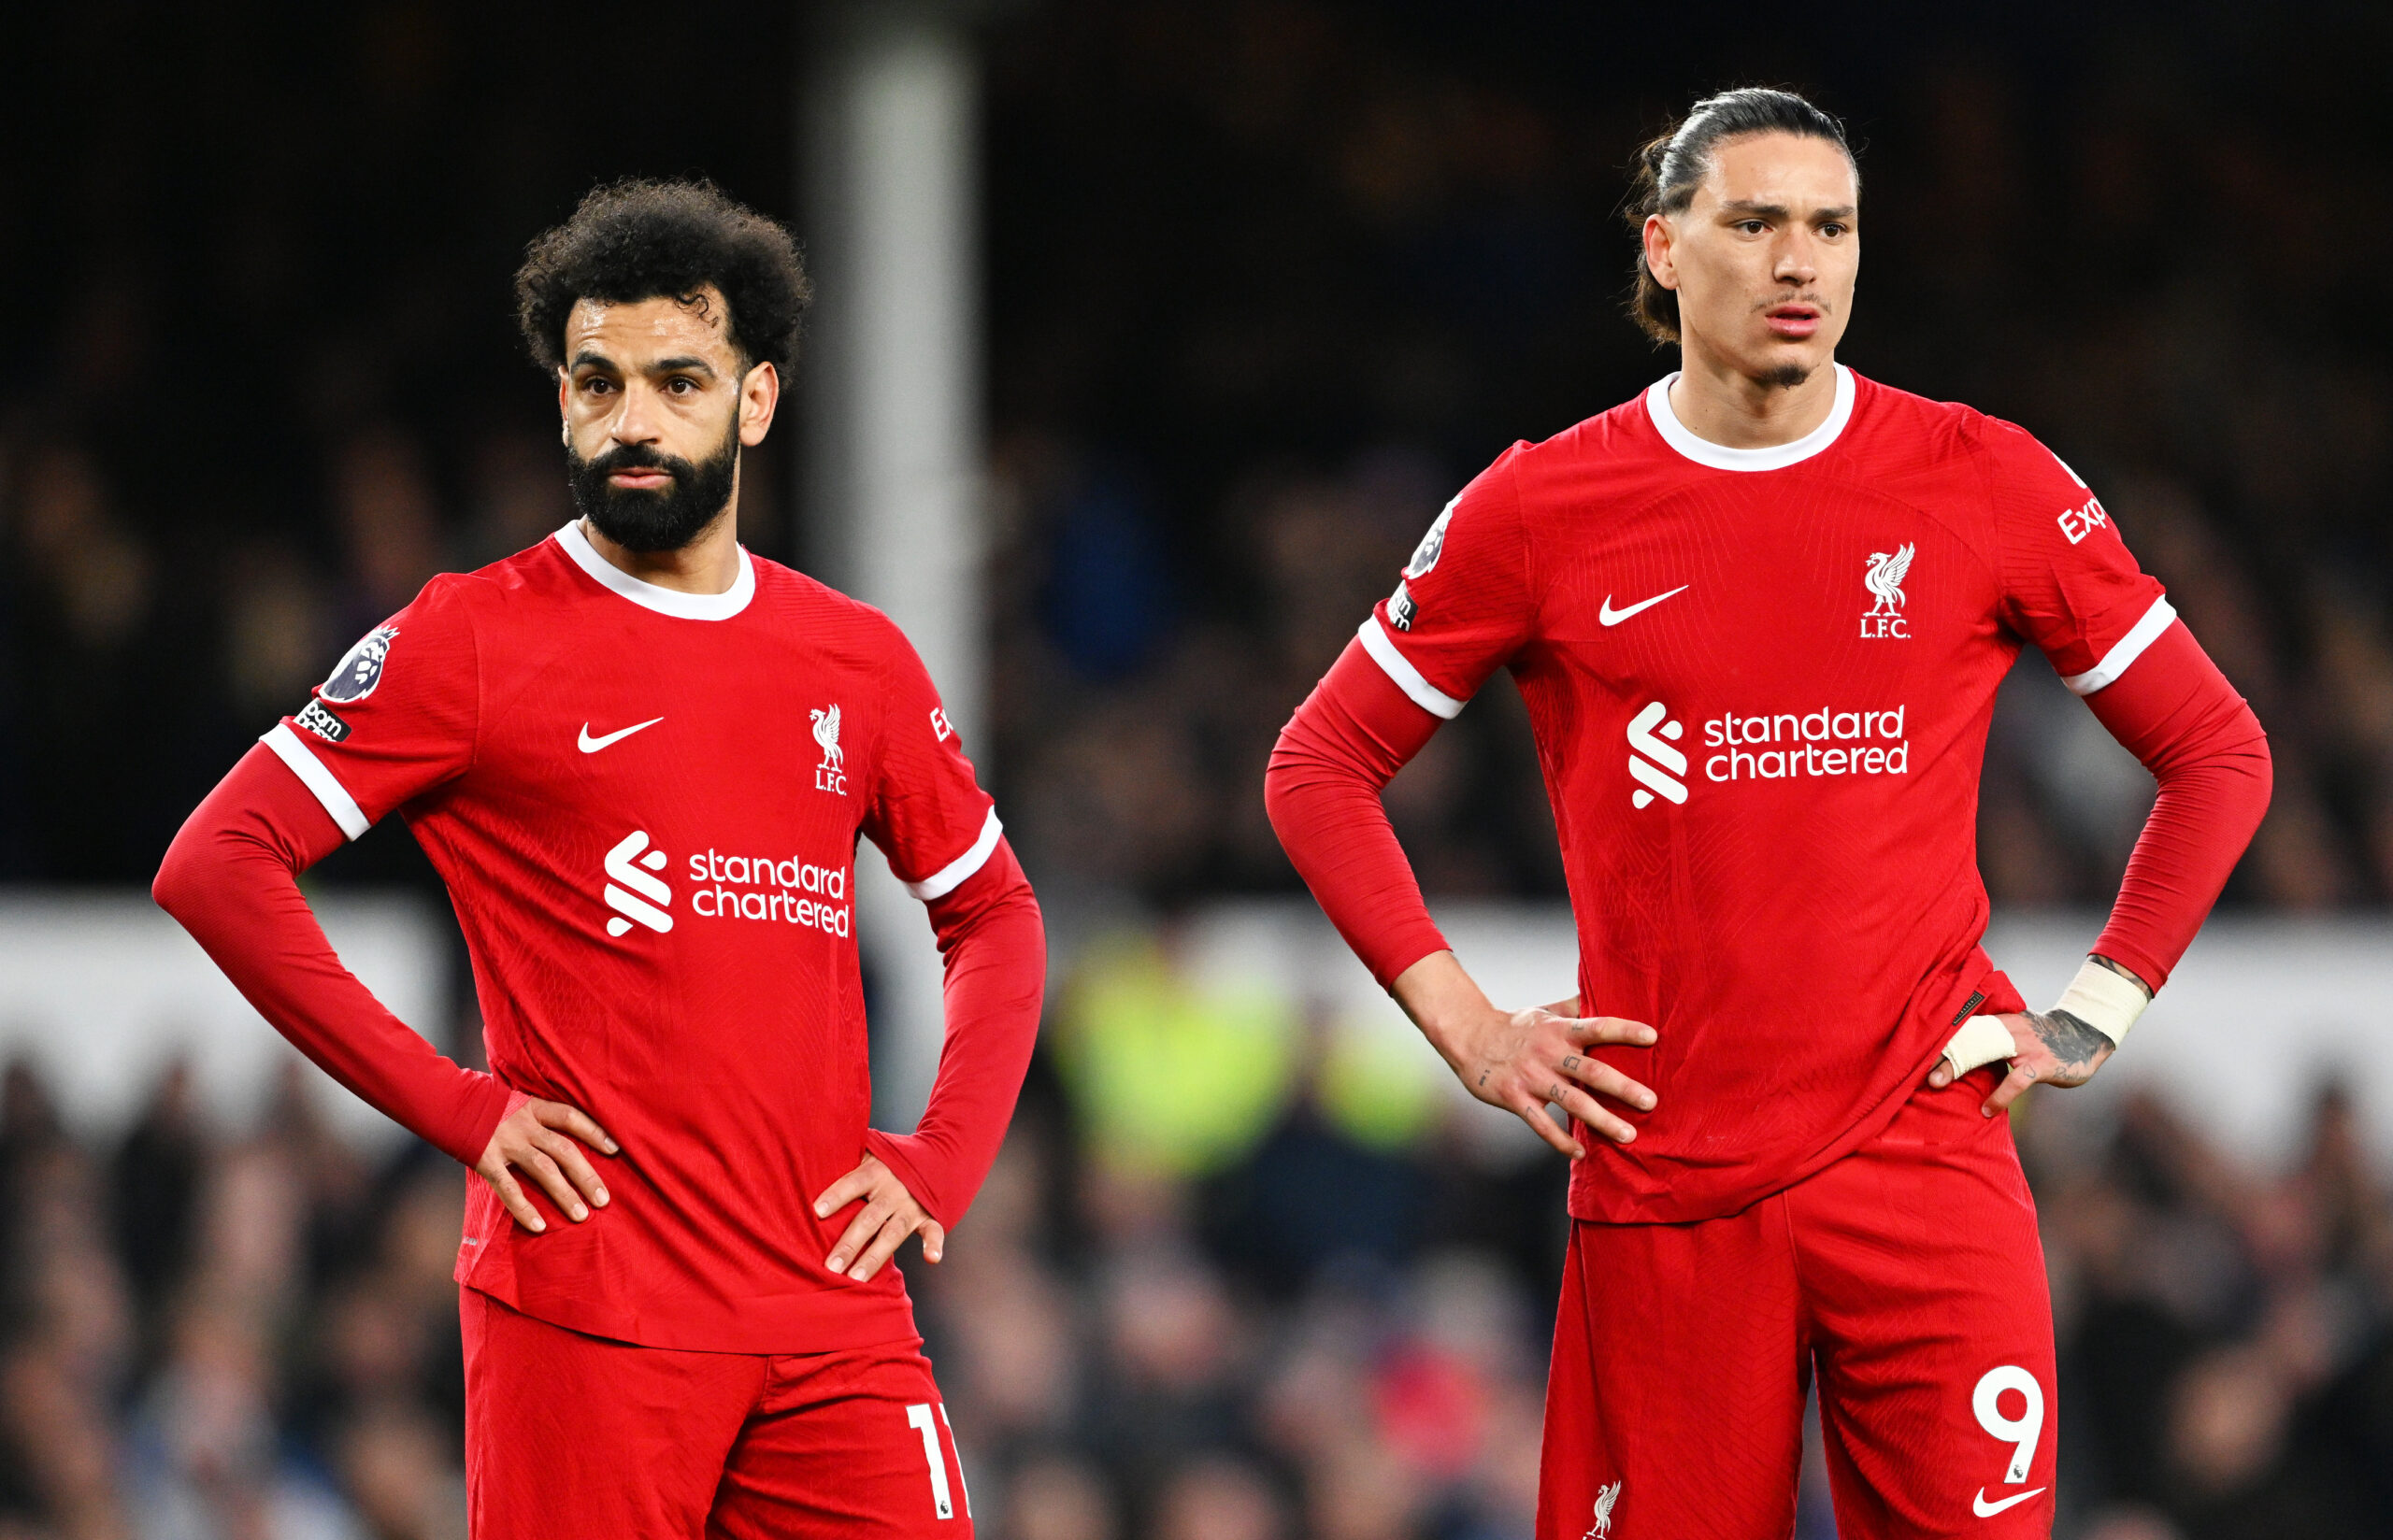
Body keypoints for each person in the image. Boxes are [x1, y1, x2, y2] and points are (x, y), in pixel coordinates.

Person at [1265, 89, 2271, 1540]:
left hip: (1927, 1162)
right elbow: (1317, 769)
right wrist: (1476, 1037)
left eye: (1833, 227)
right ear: (1666, 249)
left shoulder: (1982, 480)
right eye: (1757, 224)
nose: (1802, 262)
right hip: (1668, 1191)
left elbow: (2219, 750)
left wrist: (2096, 1006)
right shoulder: (1542, 509)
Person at [154, 178, 1044, 1537]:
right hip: (590, 1317)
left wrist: (939, 1161)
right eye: (597, 381)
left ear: (756, 400)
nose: (633, 419)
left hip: (833, 1318)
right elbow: (218, 862)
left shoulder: (853, 658)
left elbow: (992, 912)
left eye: (678, 381)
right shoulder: (471, 638)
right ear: (561, 399)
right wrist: (460, 1108)